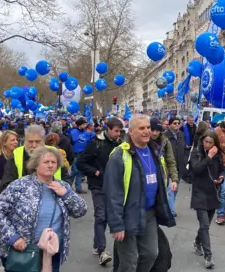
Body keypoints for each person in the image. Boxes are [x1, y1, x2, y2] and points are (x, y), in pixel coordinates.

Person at [0, 146, 87, 272]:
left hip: (51, 250)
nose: (50, 165)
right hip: (24, 251)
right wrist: (13, 237)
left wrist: (66, 194)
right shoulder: (20, 185)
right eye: (46, 162)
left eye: (54, 162)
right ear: (35, 165)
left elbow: (81, 211)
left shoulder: (62, 186)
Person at [104, 114, 175, 272]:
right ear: (131, 132)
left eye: (148, 128)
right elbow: (112, 192)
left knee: (151, 254)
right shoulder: (119, 155)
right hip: (128, 214)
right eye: (141, 128)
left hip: (149, 213)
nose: (147, 131)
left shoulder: (154, 150)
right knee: (129, 261)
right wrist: (116, 225)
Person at [77, 117, 123, 265]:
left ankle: (97, 245)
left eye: (120, 131)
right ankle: (103, 251)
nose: (118, 134)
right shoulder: (95, 143)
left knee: (109, 218)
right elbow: (81, 163)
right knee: (101, 216)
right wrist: (96, 172)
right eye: (116, 131)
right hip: (98, 185)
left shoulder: (121, 145)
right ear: (108, 129)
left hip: (114, 186)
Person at [189, 130, 224, 269]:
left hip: (212, 192)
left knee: (206, 225)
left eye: (211, 142)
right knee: (204, 224)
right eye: (206, 142)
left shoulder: (218, 154)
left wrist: (221, 177)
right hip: (199, 192)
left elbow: (221, 169)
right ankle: (208, 256)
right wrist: (209, 157)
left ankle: (197, 241)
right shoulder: (196, 152)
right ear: (202, 141)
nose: (208, 144)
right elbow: (196, 170)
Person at [2, 124, 59, 189]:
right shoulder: (16, 154)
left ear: (43, 141)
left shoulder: (54, 153)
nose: (34, 145)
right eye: (30, 142)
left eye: (37, 142)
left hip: (52, 193)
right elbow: (8, 181)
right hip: (22, 194)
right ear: (25, 141)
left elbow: (66, 177)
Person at [163, 117, 186, 216]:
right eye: (175, 123)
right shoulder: (165, 135)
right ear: (170, 124)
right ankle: (170, 211)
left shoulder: (181, 134)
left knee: (175, 188)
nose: (177, 125)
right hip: (169, 166)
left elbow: (184, 148)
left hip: (179, 165)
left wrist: (184, 162)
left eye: (178, 123)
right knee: (170, 189)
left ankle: (169, 207)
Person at [68, 118, 94, 194]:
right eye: (84, 124)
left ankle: (78, 188)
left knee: (80, 171)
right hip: (75, 154)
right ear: (80, 124)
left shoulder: (87, 133)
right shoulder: (73, 132)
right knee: (75, 171)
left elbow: (89, 143)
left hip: (83, 154)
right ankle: (68, 186)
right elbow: (70, 143)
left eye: (86, 124)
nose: (85, 125)